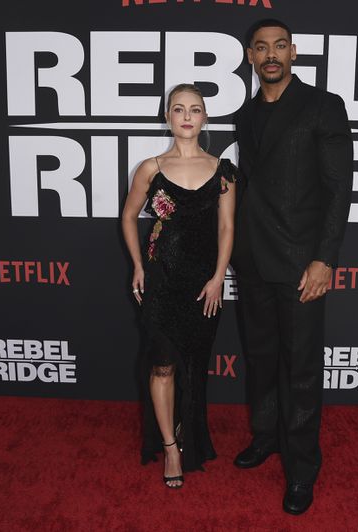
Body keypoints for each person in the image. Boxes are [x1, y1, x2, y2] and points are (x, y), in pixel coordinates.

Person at [231, 19, 353, 514]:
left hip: (302, 261)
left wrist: (325, 258)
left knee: (300, 371)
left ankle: (302, 469)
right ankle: (266, 437)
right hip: (252, 258)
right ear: (251, 57)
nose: (270, 54)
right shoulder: (245, 113)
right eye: (261, 48)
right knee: (261, 359)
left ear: (293, 52)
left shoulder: (324, 106)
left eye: (279, 45)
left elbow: (338, 188)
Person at [121, 84, 237, 489]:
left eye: (195, 109)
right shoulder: (150, 168)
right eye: (178, 109)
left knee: (193, 366)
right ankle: (170, 446)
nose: (187, 116)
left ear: (205, 117)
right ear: (167, 117)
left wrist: (220, 276)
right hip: (161, 281)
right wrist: (138, 266)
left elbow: (227, 227)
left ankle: (190, 431)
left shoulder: (223, 171)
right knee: (162, 364)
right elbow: (129, 216)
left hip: (203, 284)